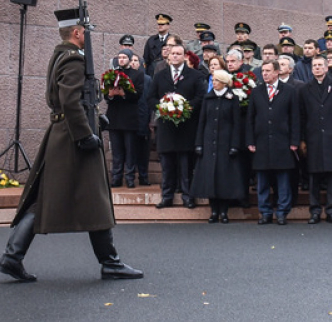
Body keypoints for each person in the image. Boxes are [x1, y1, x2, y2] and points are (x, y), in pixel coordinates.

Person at [0, 8, 142, 283]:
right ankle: (109, 263)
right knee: (93, 198)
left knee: (49, 198)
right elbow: (70, 100)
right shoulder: (74, 59)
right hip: (73, 139)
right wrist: (85, 134)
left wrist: (97, 119)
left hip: (66, 134)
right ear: (77, 32)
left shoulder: (61, 54)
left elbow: (77, 99)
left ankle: (12, 257)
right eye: (86, 30)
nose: (88, 35)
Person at [143, 42, 206, 209]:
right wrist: (164, 108)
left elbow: (200, 97)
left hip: (186, 127)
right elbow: (150, 98)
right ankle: (167, 196)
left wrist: (185, 108)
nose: (175, 56)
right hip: (166, 127)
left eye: (179, 53)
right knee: (167, 165)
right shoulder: (160, 75)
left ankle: (188, 196)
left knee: (186, 166)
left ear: (184, 56)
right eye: (173, 54)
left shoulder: (195, 75)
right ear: (168, 56)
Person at [298, 55, 332, 224]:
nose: (317, 68)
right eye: (314, 66)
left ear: (327, 67)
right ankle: (314, 211)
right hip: (312, 138)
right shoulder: (304, 89)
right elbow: (302, 117)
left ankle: (331, 210)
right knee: (313, 176)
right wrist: (302, 140)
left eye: (320, 65)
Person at [247, 58, 299, 225]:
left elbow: (295, 118)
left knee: (283, 180)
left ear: (277, 72)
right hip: (261, 143)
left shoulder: (290, 91)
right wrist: (250, 141)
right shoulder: (256, 92)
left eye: (268, 71)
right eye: (263, 71)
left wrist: (294, 141)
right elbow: (250, 119)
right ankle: (265, 212)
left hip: (282, 142)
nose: (265, 74)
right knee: (262, 181)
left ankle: (283, 211)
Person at [193, 69, 247, 224]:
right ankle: (213, 210)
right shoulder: (208, 98)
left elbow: (237, 124)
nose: (213, 82)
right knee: (210, 178)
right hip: (209, 142)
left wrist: (235, 145)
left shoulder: (232, 99)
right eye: (213, 80)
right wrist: (199, 143)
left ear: (223, 82)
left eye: (216, 80)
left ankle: (224, 211)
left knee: (224, 179)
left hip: (226, 143)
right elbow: (202, 122)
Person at [105, 48, 146, 188]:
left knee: (130, 150)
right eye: (119, 57)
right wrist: (110, 94)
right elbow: (106, 95)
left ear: (129, 59)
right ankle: (116, 178)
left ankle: (129, 178)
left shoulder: (138, 74)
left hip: (129, 118)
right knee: (117, 151)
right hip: (115, 117)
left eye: (124, 57)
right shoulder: (112, 74)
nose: (121, 59)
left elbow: (138, 95)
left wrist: (124, 94)